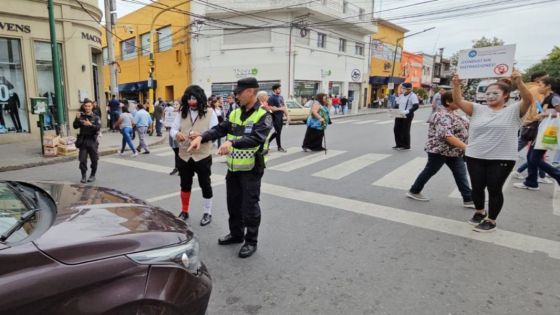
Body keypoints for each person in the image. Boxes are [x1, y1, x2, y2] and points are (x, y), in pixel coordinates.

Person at [188, 77, 273, 258]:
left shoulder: (264, 115)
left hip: (251, 169)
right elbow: (220, 129)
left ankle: (251, 241)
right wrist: (201, 137)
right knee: (233, 204)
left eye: (238, 93)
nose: (236, 96)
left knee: (249, 206)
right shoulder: (234, 112)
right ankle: (236, 235)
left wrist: (232, 141)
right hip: (233, 169)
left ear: (250, 92)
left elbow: (257, 138)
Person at [452, 70, 532, 232]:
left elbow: (528, 99)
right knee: (477, 187)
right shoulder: (477, 109)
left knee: (494, 188)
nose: (490, 96)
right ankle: (480, 212)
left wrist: (520, 83)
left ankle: (492, 220)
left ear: (505, 96)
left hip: (501, 158)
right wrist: (456, 85)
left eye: (495, 93)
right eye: (487, 93)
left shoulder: (514, 111)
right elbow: (458, 100)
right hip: (475, 155)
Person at [406, 91, 474, 208]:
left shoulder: (455, 113)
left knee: (460, 173)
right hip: (439, 150)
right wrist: (466, 148)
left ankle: (468, 199)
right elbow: (446, 135)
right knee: (430, 171)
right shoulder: (442, 115)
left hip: (453, 151)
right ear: (448, 102)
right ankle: (414, 190)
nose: (461, 101)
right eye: (457, 99)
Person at [170, 85, 218, 226]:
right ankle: (184, 211)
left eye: (195, 99)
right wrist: (176, 134)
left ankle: (207, 212)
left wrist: (202, 136)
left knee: (205, 184)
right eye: (189, 99)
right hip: (184, 155)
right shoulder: (182, 112)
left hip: (202, 155)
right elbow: (173, 129)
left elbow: (215, 131)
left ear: (201, 99)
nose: (192, 102)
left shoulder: (209, 112)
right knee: (185, 184)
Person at [514, 77, 560, 190]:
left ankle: (557, 175)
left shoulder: (554, 98)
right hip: (540, 131)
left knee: (534, 158)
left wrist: (544, 115)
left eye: (540, 84)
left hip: (546, 131)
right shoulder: (548, 97)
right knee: (530, 157)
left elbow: (558, 112)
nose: (538, 87)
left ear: (548, 86)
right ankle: (531, 182)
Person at [511, 71, 550, 182]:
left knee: (535, 150)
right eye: (545, 79)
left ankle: (538, 176)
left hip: (530, 121)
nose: (548, 81)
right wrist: (539, 117)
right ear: (538, 79)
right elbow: (538, 107)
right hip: (534, 122)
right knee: (534, 150)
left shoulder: (530, 88)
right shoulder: (537, 90)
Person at [73, 100, 101, 183]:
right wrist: (77, 119)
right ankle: (83, 176)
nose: (88, 108)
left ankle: (92, 175)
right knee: (82, 160)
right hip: (83, 140)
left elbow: (98, 128)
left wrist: (90, 125)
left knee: (94, 159)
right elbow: (75, 126)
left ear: (92, 107)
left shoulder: (96, 117)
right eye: (86, 106)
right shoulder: (81, 116)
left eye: (89, 106)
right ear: (84, 107)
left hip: (92, 140)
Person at [393, 83, 419, 151]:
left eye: (403, 88)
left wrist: (407, 111)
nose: (402, 89)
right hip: (399, 114)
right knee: (396, 129)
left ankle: (406, 145)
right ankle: (398, 144)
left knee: (405, 130)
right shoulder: (401, 95)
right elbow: (397, 104)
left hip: (407, 114)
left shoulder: (412, 96)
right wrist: (393, 110)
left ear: (409, 89)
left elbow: (416, 106)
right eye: (402, 88)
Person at [267, 83, 287, 152]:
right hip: (275, 117)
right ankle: (279, 147)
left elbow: (284, 107)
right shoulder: (271, 98)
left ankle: (267, 142)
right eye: (278, 89)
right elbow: (270, 108)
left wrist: (287, 116)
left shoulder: (281, 97)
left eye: (280, 89)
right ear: (275, 90)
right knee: (278, 132)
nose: (280, 90)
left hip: (280, 117)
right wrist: (279, 109)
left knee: (277, 132)